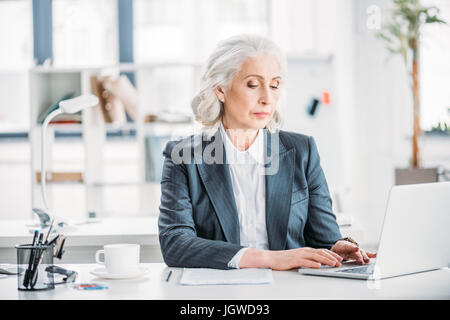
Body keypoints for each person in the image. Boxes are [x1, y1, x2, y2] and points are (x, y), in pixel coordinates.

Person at [158, 34, 376, 270]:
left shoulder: (302, 151)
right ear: (220, 90)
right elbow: (175, 244)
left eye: (274, 85)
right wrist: (270, 258)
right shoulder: (183, 156)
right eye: (253, 85)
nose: (267, 98)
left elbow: (324, 238)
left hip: (289, 290)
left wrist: (336, 248)